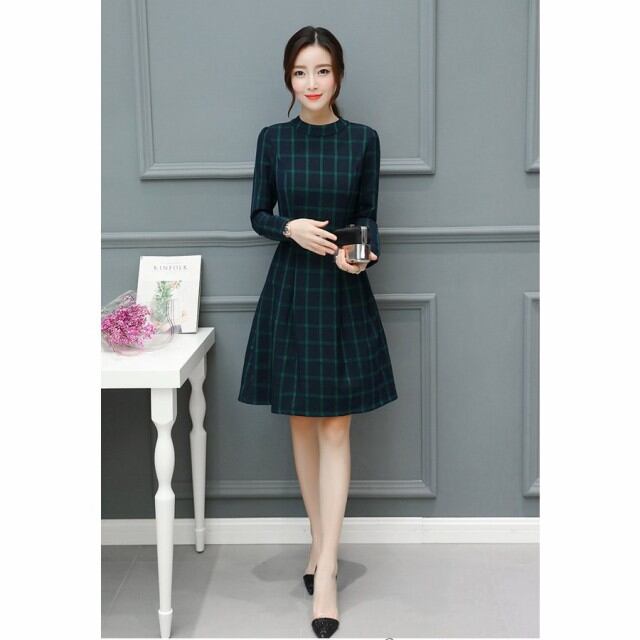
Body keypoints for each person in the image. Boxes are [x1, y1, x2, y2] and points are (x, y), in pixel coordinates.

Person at [238, 25, 398, 638]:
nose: (311, 82)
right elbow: (258, 213)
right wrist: (289, 228)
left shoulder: (363, 140)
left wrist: (362, 254)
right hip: (291, 287)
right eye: (301, 72)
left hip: (342, 290)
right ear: (288, 77)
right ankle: (317, 539)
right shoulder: (273, 139)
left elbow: (367, 219)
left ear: (339, 76)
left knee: (336, 426)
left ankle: (326, 568)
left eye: (322, 70)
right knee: (302, 422)